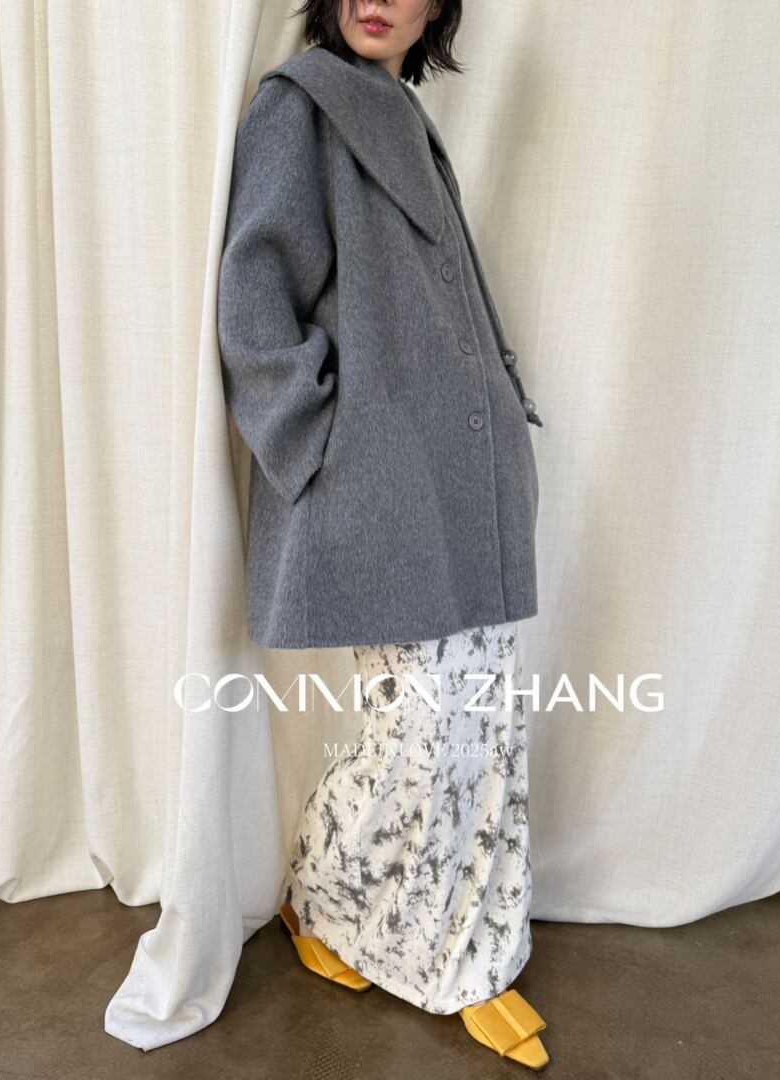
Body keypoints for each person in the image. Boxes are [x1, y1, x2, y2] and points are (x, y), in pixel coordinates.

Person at [217, 1, 547, 1069]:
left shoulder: (402, 112)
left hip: (465, 482)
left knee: (484, 729)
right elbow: (255, 299)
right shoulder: (299, 108)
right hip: (386, 487)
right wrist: (320, 442)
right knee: (423, 732)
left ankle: (469, 948)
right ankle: (340, 904)